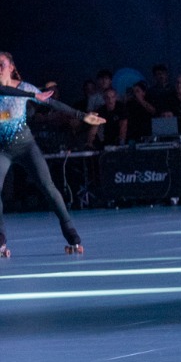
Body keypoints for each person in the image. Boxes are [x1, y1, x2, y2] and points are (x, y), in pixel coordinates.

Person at [0, 52, 105, 257]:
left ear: (11, 67)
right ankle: (0, 239)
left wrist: (83, 116)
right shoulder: (19, 91)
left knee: (48, 188)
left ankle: (72, 235)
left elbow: (53, 104)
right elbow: (4, 90)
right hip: (2, 149)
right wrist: (33, 96)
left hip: (26, 147)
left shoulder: (24, 87)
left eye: (1, 64)